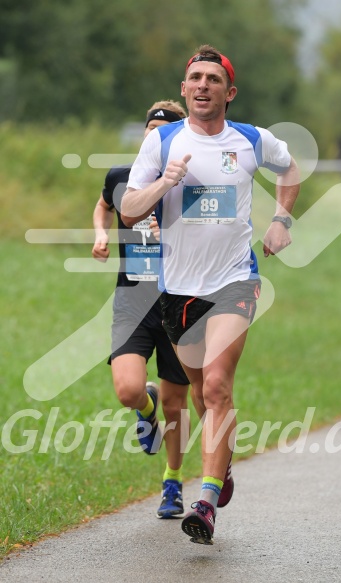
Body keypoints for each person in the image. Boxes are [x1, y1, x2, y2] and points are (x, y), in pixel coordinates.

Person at [121, 45, 300, 545]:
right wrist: (163, 184)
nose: (203, 86)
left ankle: (205, 501)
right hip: (178, 291)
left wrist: (282, 220)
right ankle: (221, 465)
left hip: (234, 282)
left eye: (213, 80)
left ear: (230, 92)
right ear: (184, 89)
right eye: (195, 78)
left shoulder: (250, 140)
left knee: (218, 386)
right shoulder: (161, 144)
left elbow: (291, 170)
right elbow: (130, 211)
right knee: (199, 392)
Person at [92, 100, 192, 519]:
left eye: (163, 132)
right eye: (150, 129)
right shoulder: (120, 177)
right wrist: (100, 234)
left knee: (177, 406)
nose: (154, 137)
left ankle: (172, 482)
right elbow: (105, 206)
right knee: (129, 391)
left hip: (180, 300)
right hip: (132, 300)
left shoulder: (190, 183)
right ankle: (144, 410)